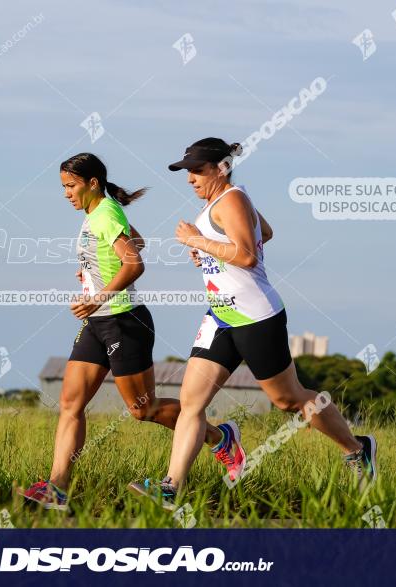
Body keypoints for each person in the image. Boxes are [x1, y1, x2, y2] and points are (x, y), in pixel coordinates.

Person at [133, 138, 377, 505]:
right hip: (221, 317)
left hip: (255, 317)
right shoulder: (226, 202)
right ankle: (171, 487)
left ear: (222, 168)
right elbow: (265, 233)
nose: (190, 179)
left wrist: (199, 242)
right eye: (187, 172)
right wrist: (211, 253)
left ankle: (358, 449)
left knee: (289, 400)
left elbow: (247, 256)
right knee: (191, 402)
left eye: (197, 171)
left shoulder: (231, 199)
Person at [20, 153, 243, 511]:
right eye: (63, 187)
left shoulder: (105, 214)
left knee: (144, 409)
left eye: (71, 186)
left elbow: (135, 263)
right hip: (98, 323)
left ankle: (221, 438)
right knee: (70, 403)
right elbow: (136, 242)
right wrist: (95, 275)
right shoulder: (100, 213)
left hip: (125, 321)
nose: (66, 194)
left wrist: (100, 295)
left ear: (93, 183)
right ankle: (57, 488)